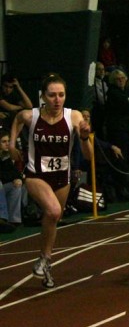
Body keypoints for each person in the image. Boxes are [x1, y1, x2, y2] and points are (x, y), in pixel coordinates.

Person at [9, 74, 93, 288]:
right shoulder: (32, 116)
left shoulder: (73, 117)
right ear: (43, 97)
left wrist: (84, 137)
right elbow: (17, 118)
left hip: (62, 177)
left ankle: (45, 260)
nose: (57, 100)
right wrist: (12, 144)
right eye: (52, 95)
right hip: (36, 175)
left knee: (53, 218)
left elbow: (89, 156)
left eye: (61, 95)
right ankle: (45, 259)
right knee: (54, 211)